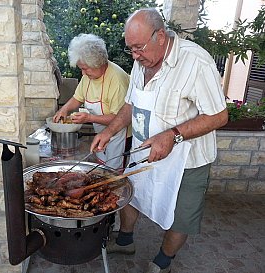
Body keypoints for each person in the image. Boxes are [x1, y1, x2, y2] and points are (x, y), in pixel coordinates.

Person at [90, 8, 228, 273]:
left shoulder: (195, 62)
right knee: (131, 196)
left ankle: (163, 261)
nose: (134, 55)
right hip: (144, 149)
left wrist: (172, 135)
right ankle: (126, 240)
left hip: (187, 159)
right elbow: (130, 103)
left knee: (181, 216)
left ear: (161, 37)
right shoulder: (141, 59)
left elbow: (219, 116)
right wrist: (109, 131)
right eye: (131, 48)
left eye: (139, 47)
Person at [53, 33, 131, 169]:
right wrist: (64, 109)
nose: (83, 73)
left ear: (98, 63)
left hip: (120, 136)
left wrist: (89, 117)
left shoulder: (117, 80)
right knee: (102, 168)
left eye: (85, 68)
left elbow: (120, 118)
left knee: (114, 174)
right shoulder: (89, 76)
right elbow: (78, 98)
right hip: (101, 133)